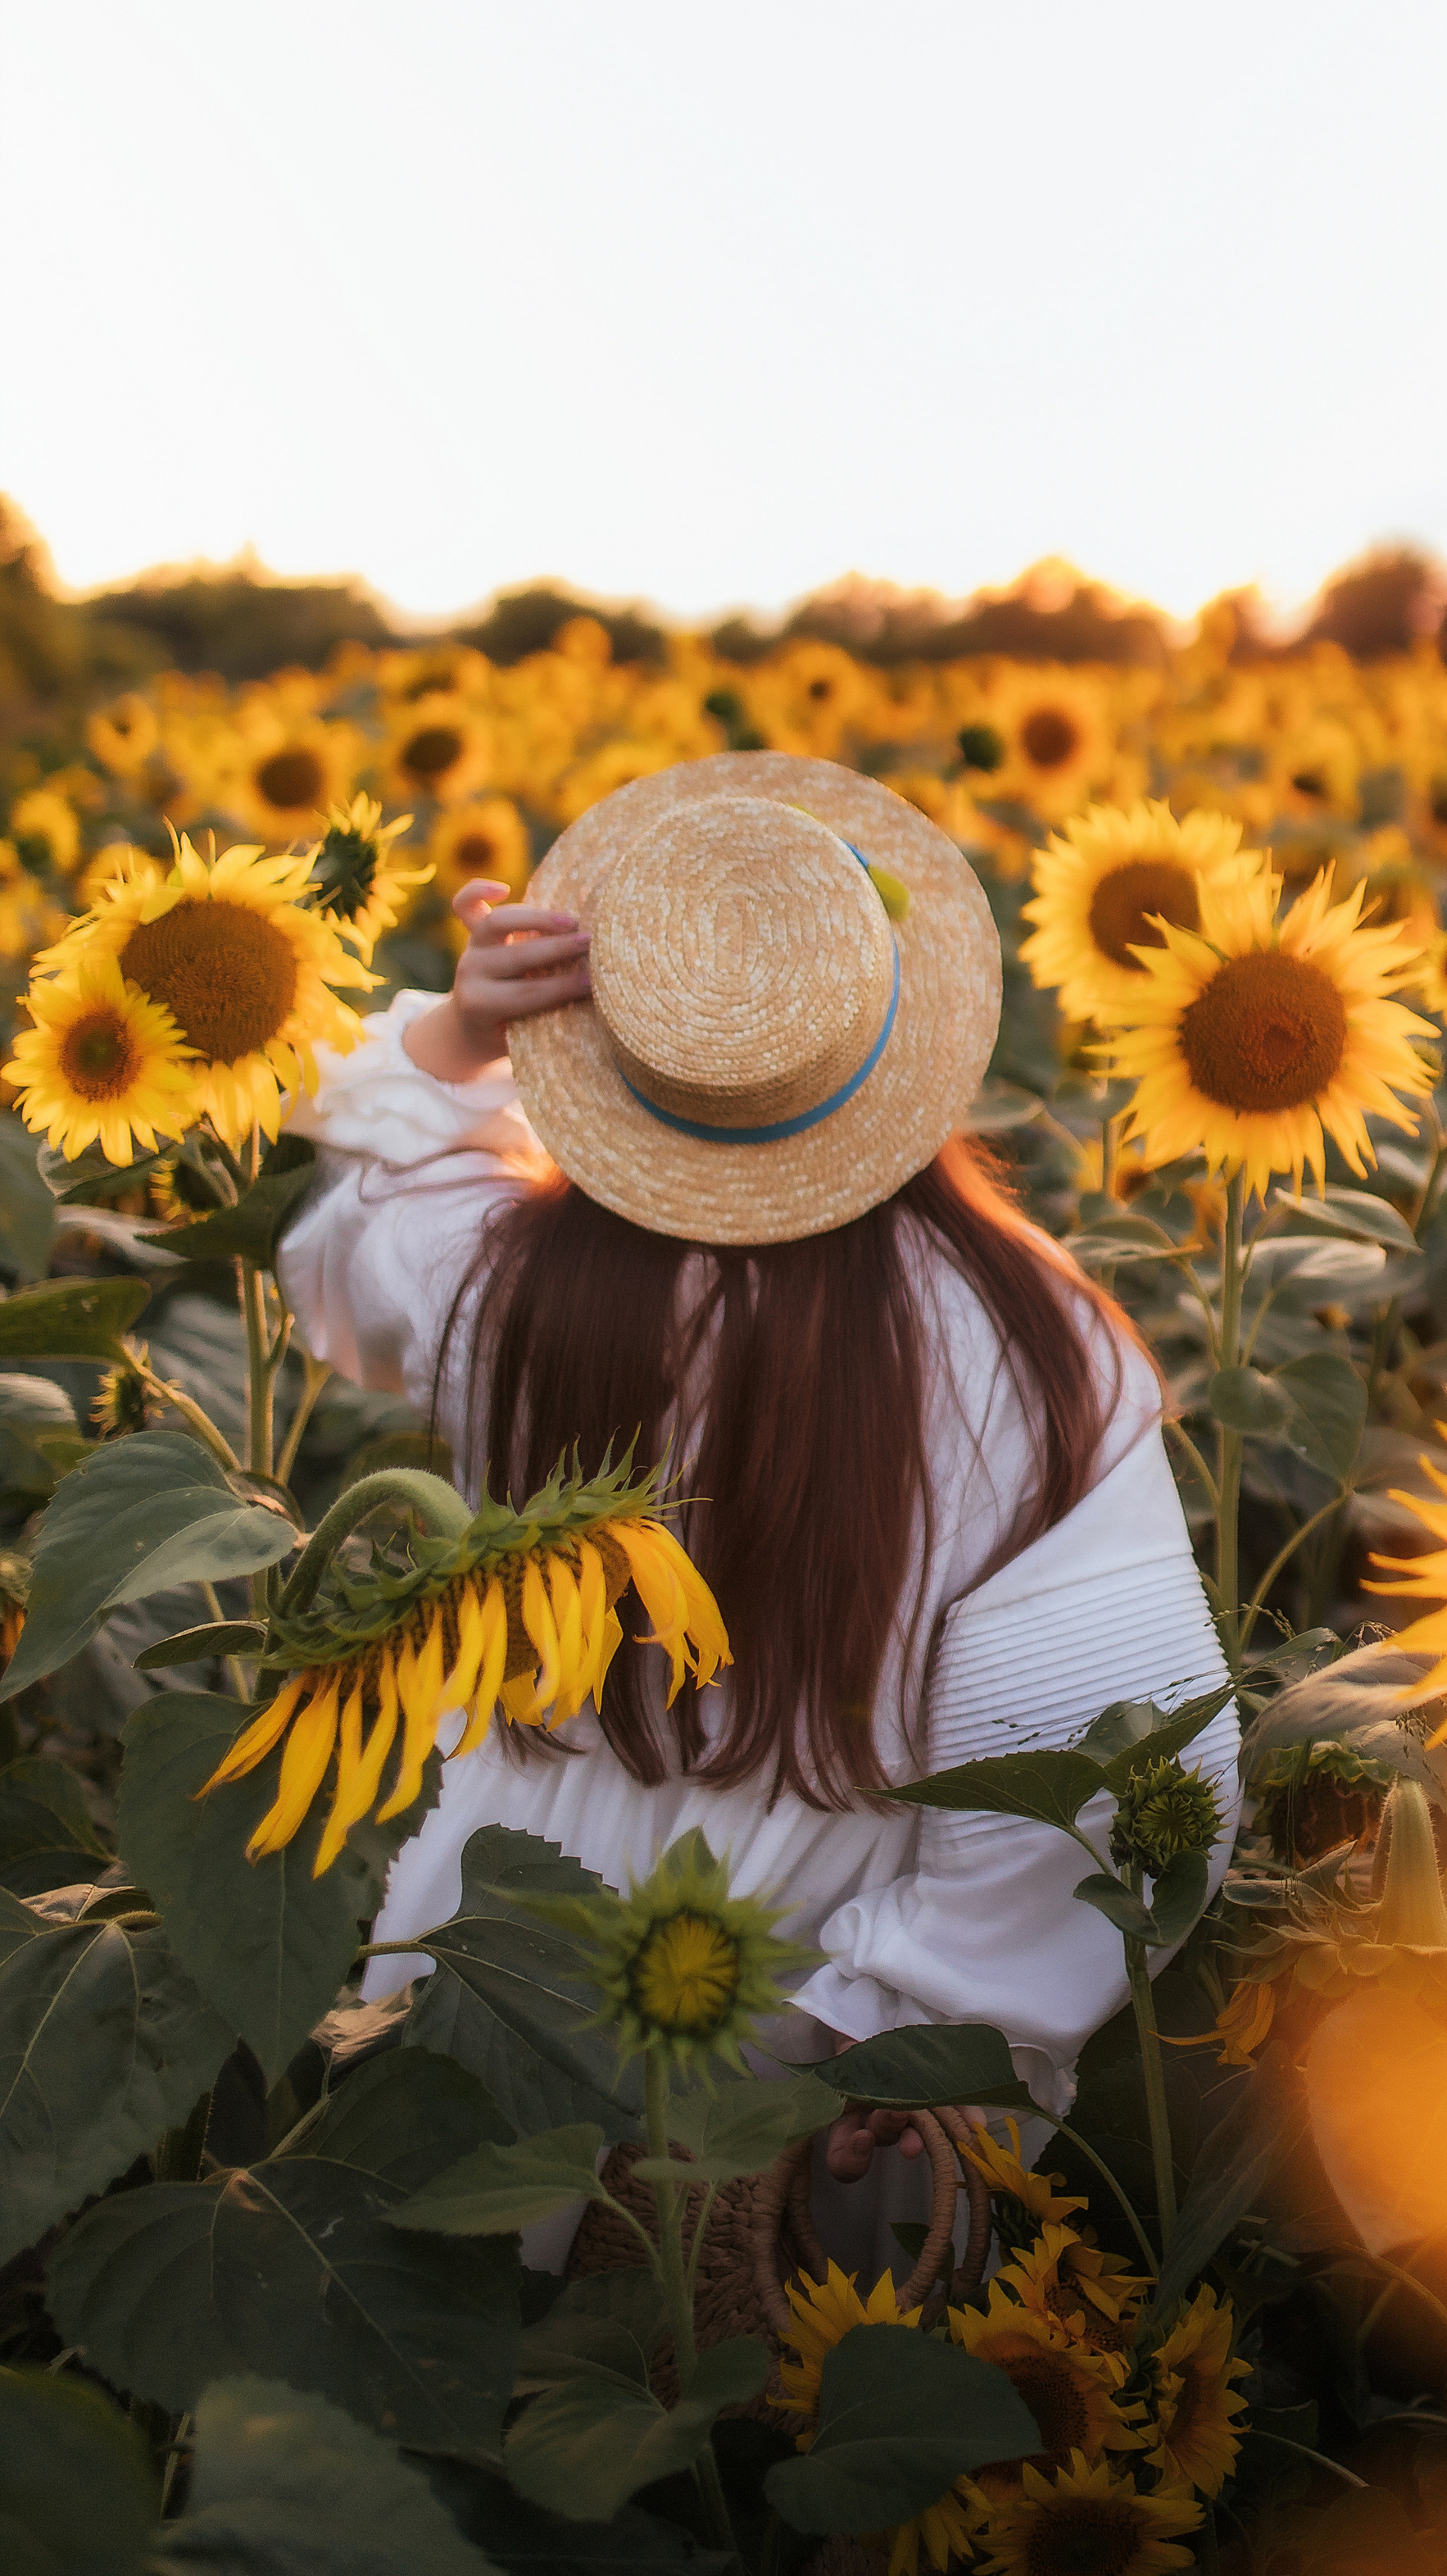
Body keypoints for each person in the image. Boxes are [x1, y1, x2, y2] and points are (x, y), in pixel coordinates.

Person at [277, 754, 1236, 2251]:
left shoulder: (504, 1289)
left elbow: (353, 1236)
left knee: (466, 2359)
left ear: (609, 1057)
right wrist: (908, 2028)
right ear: (901, 1038)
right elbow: (1104, 1765)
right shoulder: (1037, 1351)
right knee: (725, 2403)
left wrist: (463, 1034)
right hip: (799, 2024)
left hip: (493, 1953)